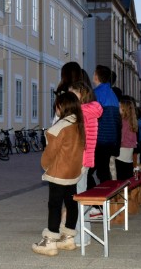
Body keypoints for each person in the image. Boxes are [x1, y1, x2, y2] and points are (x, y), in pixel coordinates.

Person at [31, 92, 85, 256]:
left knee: (54, 205)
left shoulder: (58, 128)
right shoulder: (79, 125)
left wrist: (45, 165)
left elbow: (49, 154)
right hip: (74, 172)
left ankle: (50, 241)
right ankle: (68, 237)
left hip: (58, 173)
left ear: (61, 106)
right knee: (71, 203)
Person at [68, 80, 102, 246]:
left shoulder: (80, 112)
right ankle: (83, 236)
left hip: (79, 158)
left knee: (77, 198)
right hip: (86, 159)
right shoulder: (90, 111)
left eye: (72, 94)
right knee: (81, 197)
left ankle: (81, 237)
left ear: (81, 94)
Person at [91, 65, 121, 188]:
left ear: (97, 76)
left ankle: (97, 201)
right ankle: (106, 202)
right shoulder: (112, 94)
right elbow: (117, 121)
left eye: (94, 73)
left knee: (89, 172)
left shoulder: (96, 94)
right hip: (110, 140)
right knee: (103, 172)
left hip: (98, 139)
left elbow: (91, 117)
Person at [117, 96, 138, 180]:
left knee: (120, 176)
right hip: (129, 152)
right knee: (128, 175)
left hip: (122, 151)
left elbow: (121, 138)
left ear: (124, 109)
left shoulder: (123, 122)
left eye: (119, 107)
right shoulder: (132, 121)